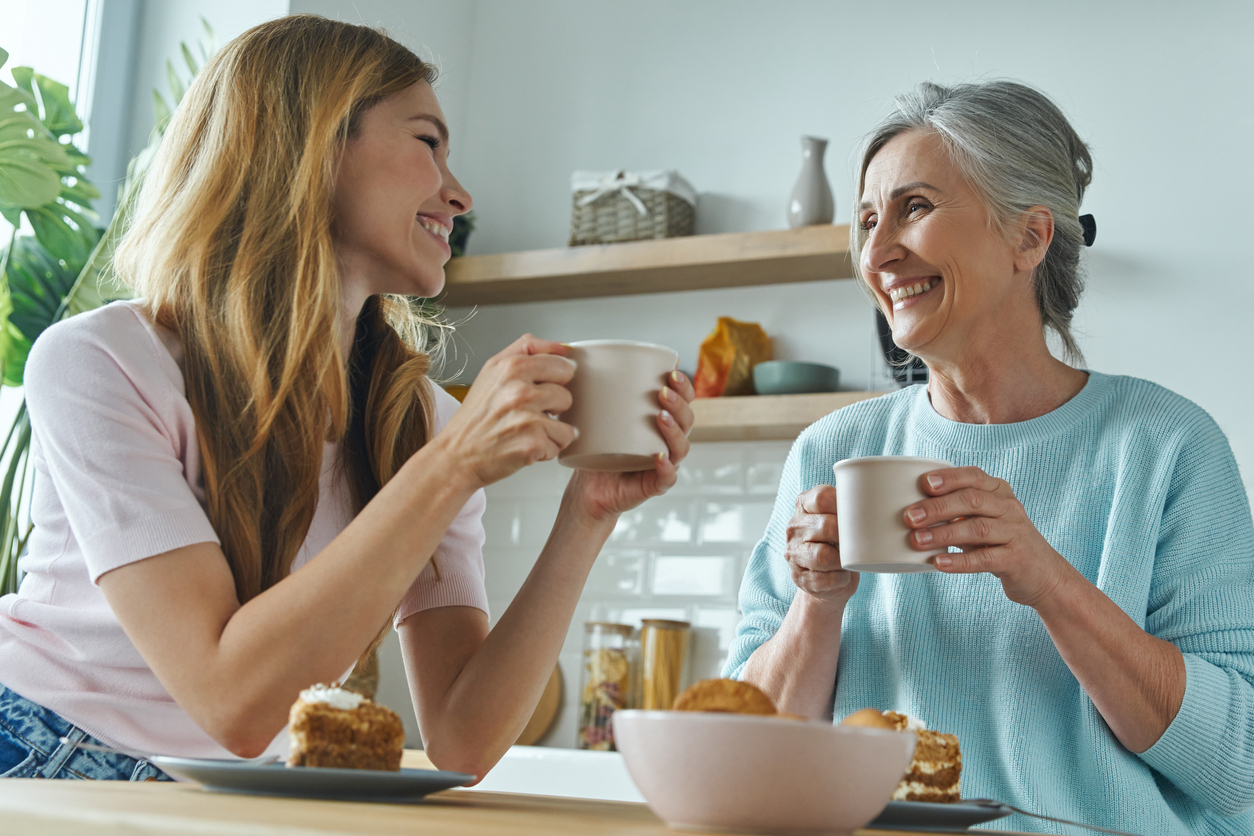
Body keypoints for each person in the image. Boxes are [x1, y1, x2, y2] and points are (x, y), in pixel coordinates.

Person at [0, 15, 695, 782]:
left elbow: (463, 740)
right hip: (42, 757)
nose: (458, 195)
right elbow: (231, 701)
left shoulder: (423, 420)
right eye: (428, 142)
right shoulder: (100, 362)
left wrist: (586, 513)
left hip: (227, 790)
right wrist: (455, 465)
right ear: (312, 146)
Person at [725, 80, 1254, 835]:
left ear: (1030, 237)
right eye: (868, 219)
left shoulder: (1166, 446)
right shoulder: (833, 451)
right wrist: (816, 602)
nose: (876, 253)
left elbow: (1236, 764)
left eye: (914, 207)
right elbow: (748, 762)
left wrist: (1046, 580)